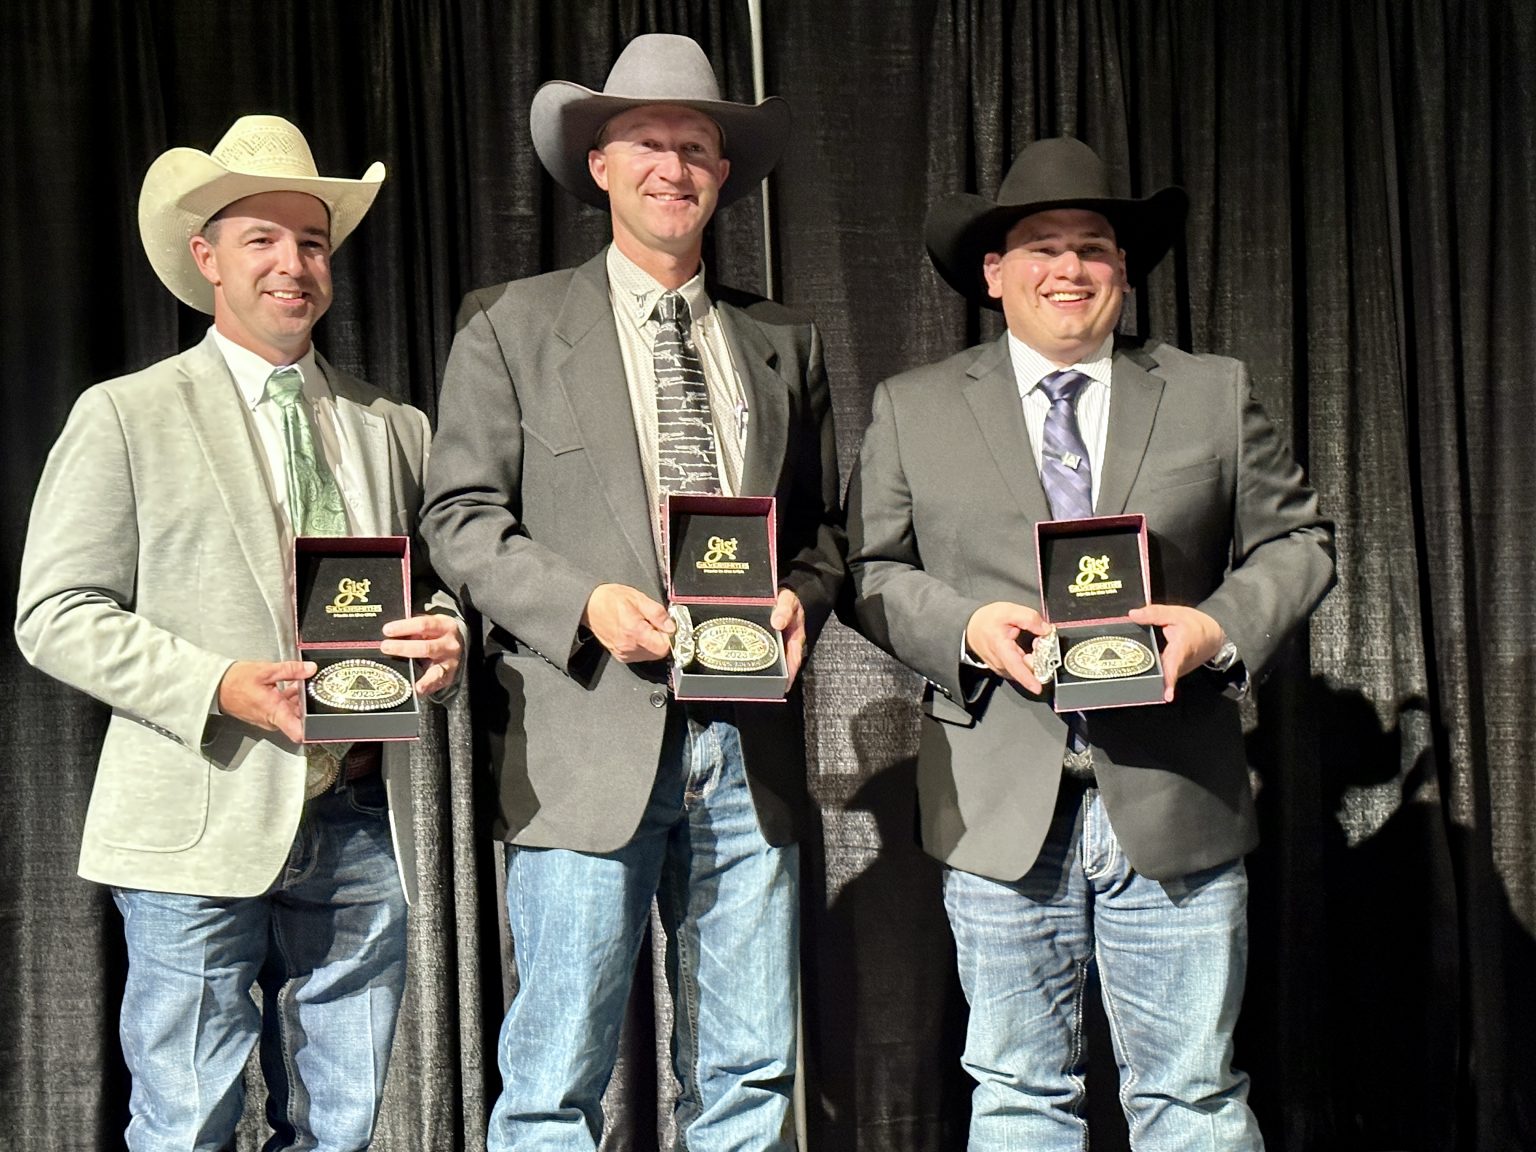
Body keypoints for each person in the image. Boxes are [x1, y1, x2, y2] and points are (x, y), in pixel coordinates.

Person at [844, 136, 1335, 1149]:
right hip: (997, 801)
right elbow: (868, 572)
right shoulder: (914, 406)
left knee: (1192, 1095)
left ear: (1124, 269)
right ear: (993, 272)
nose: (1069, 269)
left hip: (1175, 791)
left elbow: (1299, 540)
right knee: (1020, 1094)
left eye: (1093, 247)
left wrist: (1215, 627)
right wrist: (967, 629)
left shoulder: (1211, 391)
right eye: (1041, 246)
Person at [421, 33, 843, 1152]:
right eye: (647, 142)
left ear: (723, 174)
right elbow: (460, 519)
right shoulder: (506, 325)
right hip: (584, 744)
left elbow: (825, 535)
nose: (674, 165)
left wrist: (800, 596)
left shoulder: (783, 342)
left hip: (745, 757)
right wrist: (585, 605)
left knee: (750, 1076)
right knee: (556, 1079)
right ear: (599, 165)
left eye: (696, 145)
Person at [14, 115, 462, 1151]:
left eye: (311, 241)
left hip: (357, 820)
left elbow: (442, 584)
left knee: (341, 1129)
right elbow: (54, 613)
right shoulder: (126, 414)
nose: (291, 263)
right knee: (185, 1125)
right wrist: (220, 683)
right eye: (260, 238)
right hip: (193, 824)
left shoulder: (392, 426)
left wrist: (445, 636)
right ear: (206, 257)